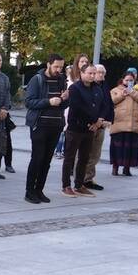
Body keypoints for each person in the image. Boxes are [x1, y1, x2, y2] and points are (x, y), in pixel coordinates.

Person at [24, 54, 68, 204]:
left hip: (56, 125)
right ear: (48, 64)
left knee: (47, 160)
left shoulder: (62, 79)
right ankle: (29, 191)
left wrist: (64, 99)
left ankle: (39, 190)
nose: (58, 70)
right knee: (37, 159)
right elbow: (29, 102)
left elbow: (62, 104)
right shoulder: (37, 79)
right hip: (39, 124)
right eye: (56, 66)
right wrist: (49, 101)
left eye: (61, 67)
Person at [61, 64, 102, 198]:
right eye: (89, 73)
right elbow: (78, 107)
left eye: (94, 73)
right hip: (75, 128)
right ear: (82, 73)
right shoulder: (75, 88)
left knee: (84, 158)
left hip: (90, 128)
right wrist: (94, 120)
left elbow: (102, 105)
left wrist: (98, 121)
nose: (92, 76)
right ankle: (66, 185)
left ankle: (79, 185)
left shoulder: (97, 88)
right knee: (69, 158)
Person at [109, 69, 138, 177]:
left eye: (131, 80)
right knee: (117, 147)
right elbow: (111, 101)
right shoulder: (116, 89)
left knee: (130, 147)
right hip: (119, 122)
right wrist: (122, 95)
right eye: (127, 80)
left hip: (134, 123)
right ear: (122, 80)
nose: (129, 82)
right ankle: (115, 167)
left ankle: (127, 168)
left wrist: (133, 92)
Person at [81, 63, 114, 191]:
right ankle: (81, 179)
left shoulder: (104, 86)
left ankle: (88, 178)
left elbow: (108, 105)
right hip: (89, 125)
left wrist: (109, 120)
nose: (100, 75)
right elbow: (87, 106)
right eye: (97, 73)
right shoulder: (87, 87)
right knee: (84, 153)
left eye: (102, 73)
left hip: (101, 125)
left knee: (95, 154)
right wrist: (95, 121)